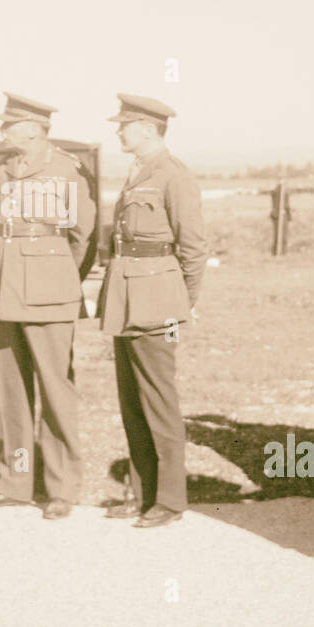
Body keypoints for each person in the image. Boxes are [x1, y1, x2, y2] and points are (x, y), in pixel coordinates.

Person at [0, 93, 95, 519]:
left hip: (47, 292)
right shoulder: (0, 172)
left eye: (9, 125)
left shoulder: (67, 171)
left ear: (35, 130)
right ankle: (15, 483)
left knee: (56, 391)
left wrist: (58, 278)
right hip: (1, 292)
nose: (1, 132)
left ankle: (62, 489)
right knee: (9, 395)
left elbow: (84, 237)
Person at [96, 94, 207, 528]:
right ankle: (142, 494)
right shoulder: (137, 172)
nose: (118, 131)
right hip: (125, 300)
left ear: (147, 127)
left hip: (156, 302)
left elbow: (194, 248)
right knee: (132, 403)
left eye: (124, 125)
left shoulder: (173, 175)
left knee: (159, 402)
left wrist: (181, 303)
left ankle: (170, 500)